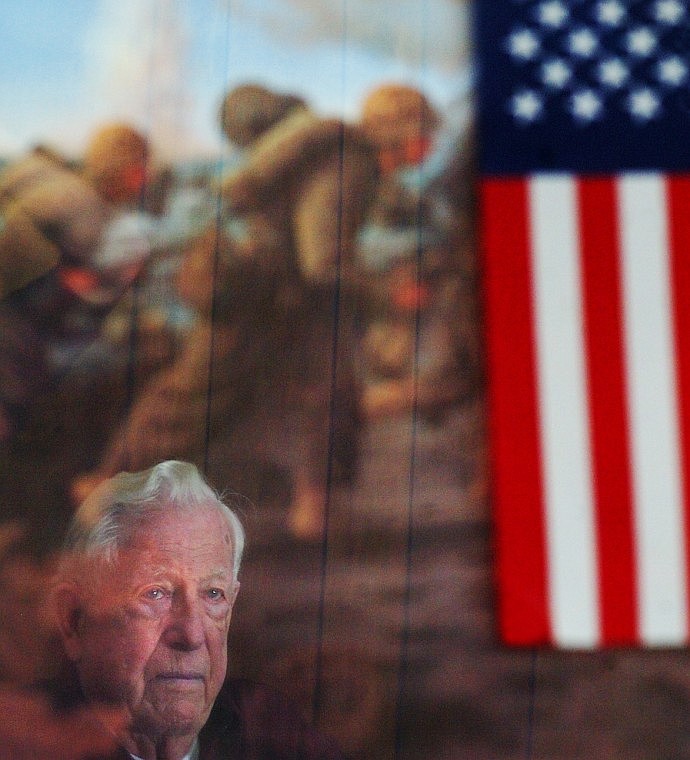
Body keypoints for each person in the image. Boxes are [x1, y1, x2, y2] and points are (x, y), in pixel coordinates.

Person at [1, 460, 344, 759]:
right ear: (74, 620)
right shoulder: (23, 741)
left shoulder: (271, 731)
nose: (193, 635)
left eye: (213, 594)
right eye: (156, 594)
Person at [0, 123, 153, 443]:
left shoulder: (42, 176)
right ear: (127, 171)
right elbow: (39, 289)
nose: (144, 181)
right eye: (141, 171)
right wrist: (94, 284)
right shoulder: (86, 213)